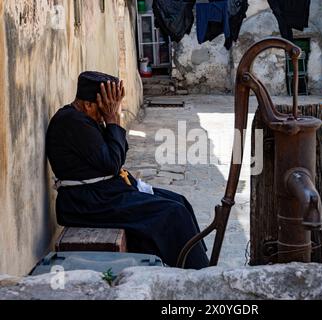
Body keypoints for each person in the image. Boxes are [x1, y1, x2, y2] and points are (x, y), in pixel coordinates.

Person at [46, 71, 209, 269]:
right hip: (86, 202)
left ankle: (196, 263)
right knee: (173, 213)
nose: (109, 111)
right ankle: (197, 272)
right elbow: (113, 162)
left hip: (104, 193)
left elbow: (118, 153)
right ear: (88, 104)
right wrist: (112, 120)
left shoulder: (85, 118)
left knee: (179, 202)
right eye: (105, 107)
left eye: (113, 106)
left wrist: (111, 120)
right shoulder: (72, 122)